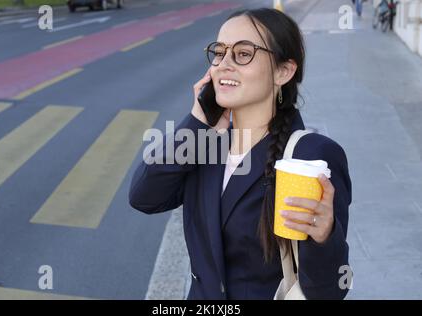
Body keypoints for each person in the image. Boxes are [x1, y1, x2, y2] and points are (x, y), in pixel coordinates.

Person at [129, 8, 352, 300]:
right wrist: (198, 122)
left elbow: (331, 291)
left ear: (283, 71)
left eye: (243, 53)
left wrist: (325, 239)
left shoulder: (311, 157)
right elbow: (144, 197)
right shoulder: (205, 146)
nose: (223, 64)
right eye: (219, 53)